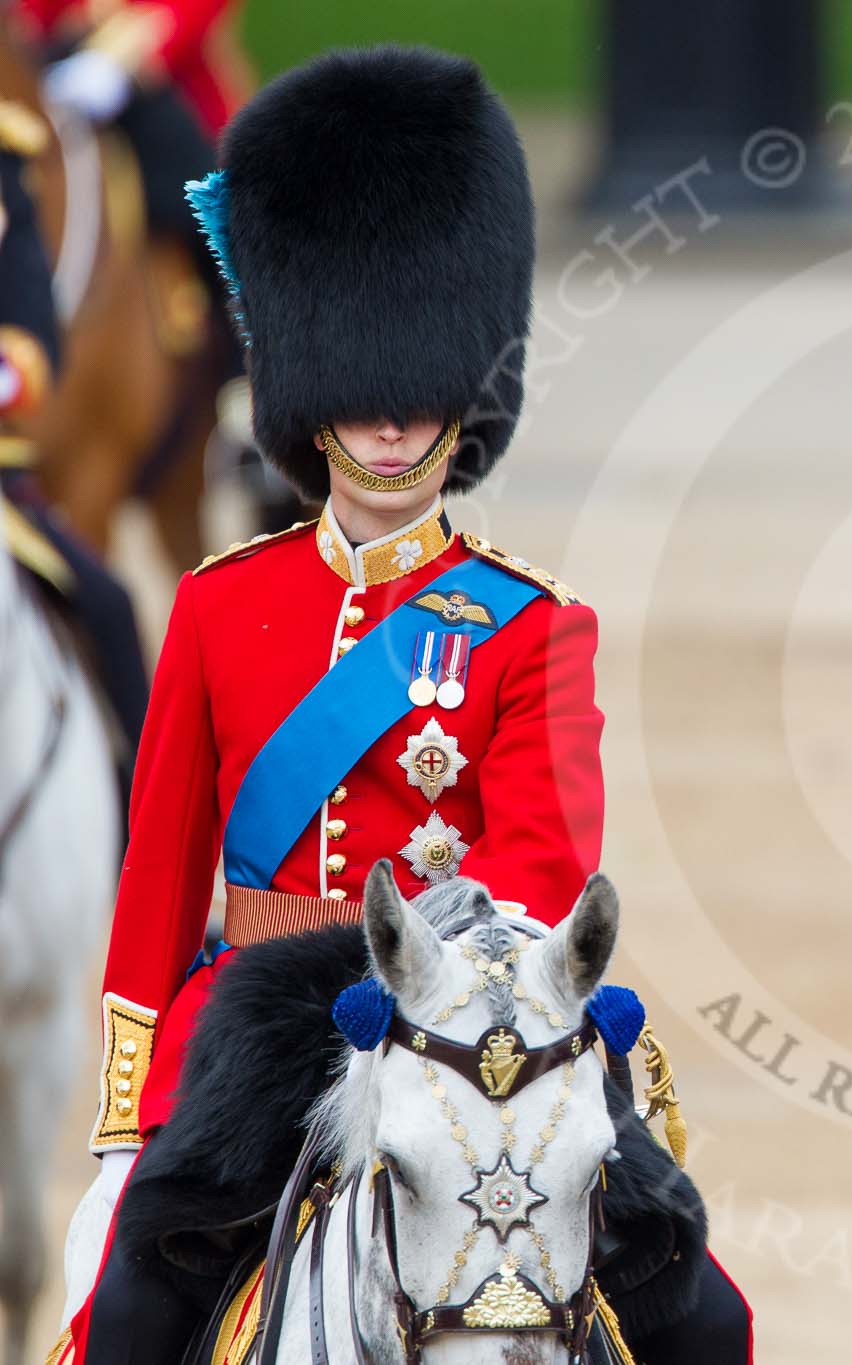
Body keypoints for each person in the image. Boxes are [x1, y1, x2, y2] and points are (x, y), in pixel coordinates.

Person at [55, 47, 750, 1365]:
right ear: (309, 400)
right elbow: (157, 886)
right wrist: (118, 1129)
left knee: (703, 1315)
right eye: (360, 400)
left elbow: (542, 860)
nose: (387, 425)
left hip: (480, 1019)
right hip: (256, 1026)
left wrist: (433, 987)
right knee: (133, 1311)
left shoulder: (535, 625)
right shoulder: (216, 608)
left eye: (416, 396)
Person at [0, 100, 151, 767]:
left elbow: (34, 345)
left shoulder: (7, 156)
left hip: (3, 491)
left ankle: (143, 819)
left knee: (111, 610)